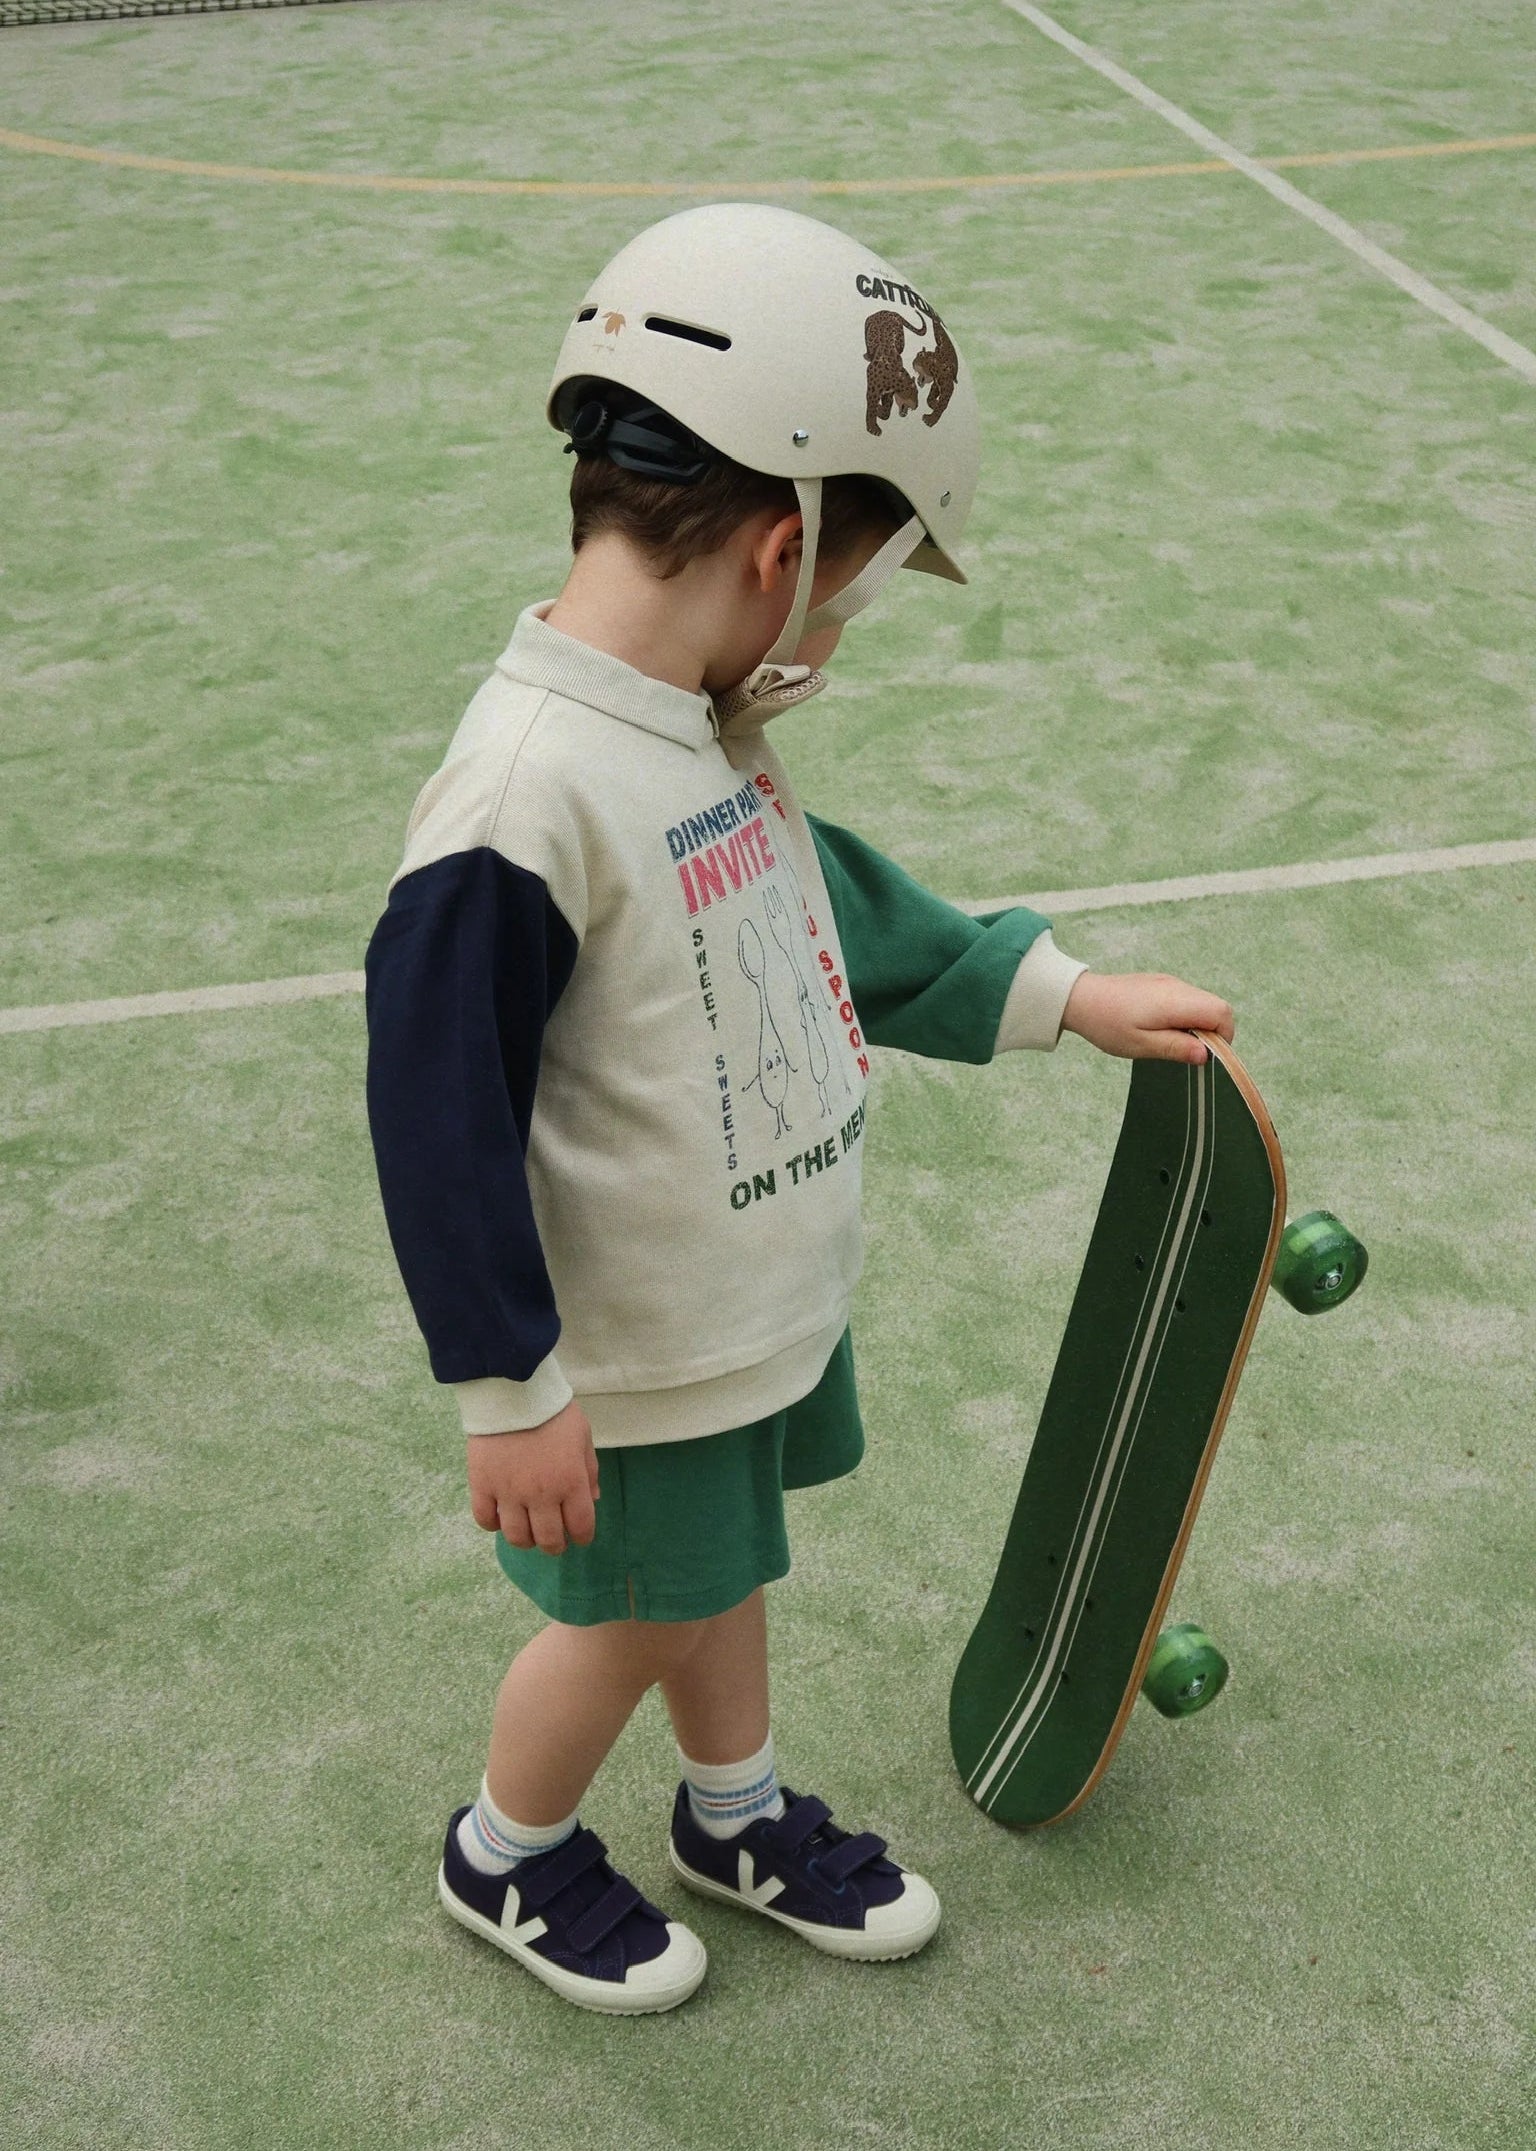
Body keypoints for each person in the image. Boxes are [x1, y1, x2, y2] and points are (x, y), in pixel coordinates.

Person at [363, 203, 1234, 2015]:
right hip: (634, 1354)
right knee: (635, 1619)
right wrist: (509, 1388)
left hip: (742, 1317)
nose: (834, 631)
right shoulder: (526, 799)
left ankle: (730, 1808)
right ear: (774, 551)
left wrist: (1060, 994)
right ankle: (506, 1850)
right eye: (846, 591)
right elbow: (434, 1112)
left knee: (720, 1573)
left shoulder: (694, 736)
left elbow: (826, 918)